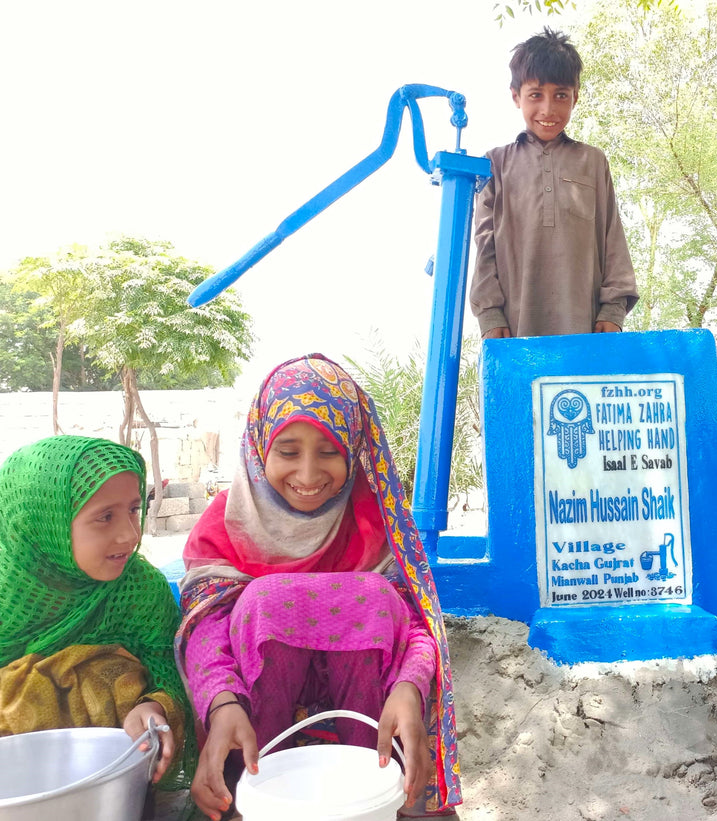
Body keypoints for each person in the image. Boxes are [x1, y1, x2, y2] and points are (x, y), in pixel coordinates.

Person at [176, 353, 460, 821]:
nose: (308, 475)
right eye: (288, 451)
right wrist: (223, 702)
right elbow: (205, 634)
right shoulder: (225, 524)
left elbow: (415, 628)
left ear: (352, 449)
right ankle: (249, 794)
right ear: (260, 445)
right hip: (255, 737)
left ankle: (385, 786)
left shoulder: (378, 519)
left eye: (329, 451)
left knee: (374, 600)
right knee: (265, 602)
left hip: (371, 731)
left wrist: (408, 688)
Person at [0, 435, 188, 786]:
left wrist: (154, 706)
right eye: (105, 517)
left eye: (134, 509)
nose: (130, 534)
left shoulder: (140, 590)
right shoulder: (7, 594)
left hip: (119, 779)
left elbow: (171, 669)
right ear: (42, 523)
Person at [469, 26, 638, 339]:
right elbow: (484, 244)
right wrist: (490, 314)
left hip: (586, 326)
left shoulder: (593, 161)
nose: (548, 109)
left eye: (561, 95)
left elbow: (612, 236)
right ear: (516, 96)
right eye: (536, 95)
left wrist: (613, 310)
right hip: (514, 327)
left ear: (575, 97)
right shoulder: (495, 163)